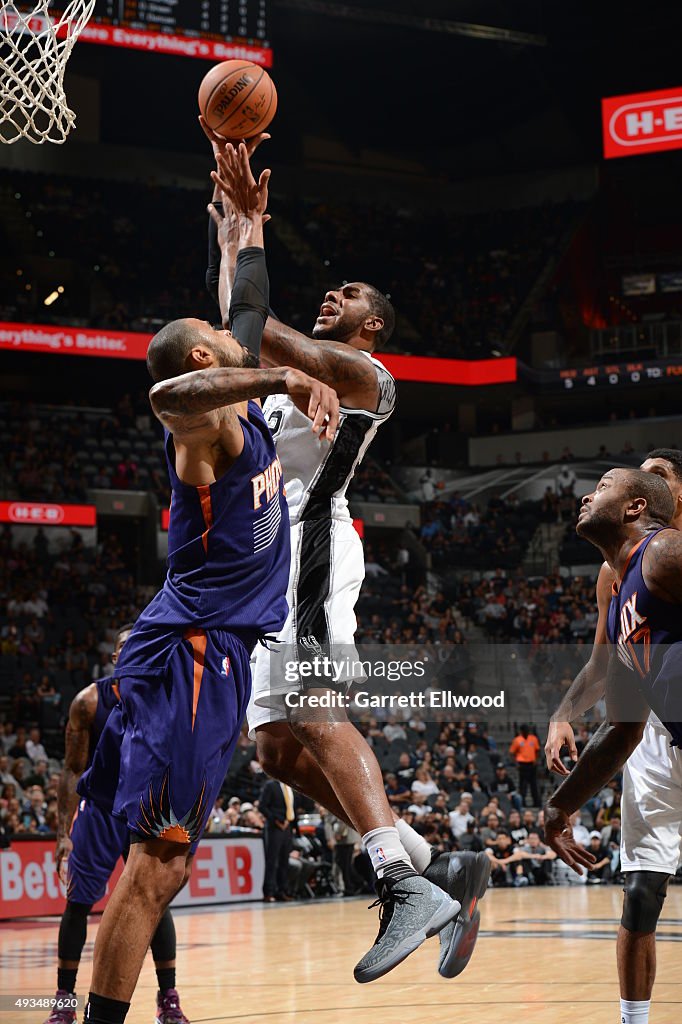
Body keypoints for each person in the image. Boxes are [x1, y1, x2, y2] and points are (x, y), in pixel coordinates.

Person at [205, 136, 489, 984]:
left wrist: (251, 237)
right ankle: (435, 869)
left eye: (350, 293)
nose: (335, 293)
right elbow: (241, 333)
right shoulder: (304, 367)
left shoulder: (366, 376)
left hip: (312, 540)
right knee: (277, 752)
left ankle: (401, 884)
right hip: (267, 551)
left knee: (313, 709)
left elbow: (255, 328)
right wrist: (234, 240)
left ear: (373, 330)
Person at [79, 172, 339, 1024]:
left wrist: (246, 231)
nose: (242, 344)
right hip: (193, 654)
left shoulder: (237, 398)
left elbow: (250, 313)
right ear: (204, 356)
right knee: (158, 862)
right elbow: (168, 395)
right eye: (223, 343)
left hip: (203, 653)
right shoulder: (208, 424)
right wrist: (282, 382)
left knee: (161, 861)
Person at [545, 451, 682, 1024]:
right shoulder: (624, 589)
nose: (585, 494)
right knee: (642, 889)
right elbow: (622, 726)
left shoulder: (667, 553)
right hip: (657, 732)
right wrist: (559, 807)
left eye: (601, 484)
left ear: (640, 502)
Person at [45, 626, 189, 1024]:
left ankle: (169, 1001)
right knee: (77, 904)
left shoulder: (167, 697)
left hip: (148, 809)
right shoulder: (88, 701)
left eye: (139, 644)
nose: (133, 651)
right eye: (125, 646)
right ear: (113, 657)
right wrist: (62, 833)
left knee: (153, 902)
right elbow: (73, 767)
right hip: (101, 809)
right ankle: (63, 1001)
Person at [259, 778, 297, 902]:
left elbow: (292, 808)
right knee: (272, 861)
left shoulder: (290, 786)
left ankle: (282, 890)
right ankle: (268, 892)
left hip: (288, 828)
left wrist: (291, 825)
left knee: (284, 861)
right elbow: (262, 807)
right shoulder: (270, 785)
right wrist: (276, 820)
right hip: (274, 828)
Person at [509, 724, 541, 806]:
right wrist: (516, 764)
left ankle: (536, 803)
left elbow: (537, 750)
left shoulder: (533, 739)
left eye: (527, 730)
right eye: (525, 730)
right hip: (522, 764)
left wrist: (536, 760)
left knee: (534, 784)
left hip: (532, 764)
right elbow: (512, 753)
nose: (526, 732)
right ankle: (522, 803)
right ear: (521, 731)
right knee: (523, 785)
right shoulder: (517, 740)